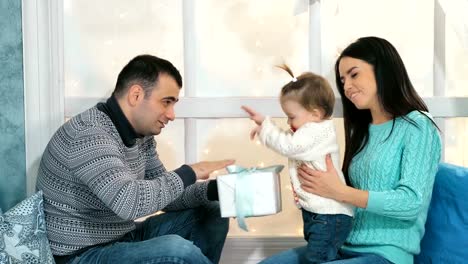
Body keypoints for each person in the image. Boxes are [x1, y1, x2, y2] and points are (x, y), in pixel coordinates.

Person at [36, 54, 234, 264]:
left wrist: (215, 189)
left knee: (213, 211)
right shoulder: (89, 135)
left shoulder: (141, 137)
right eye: (166, 102)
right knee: (177, 250)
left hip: (121, 238)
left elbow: (169, 196)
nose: (172, 114)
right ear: (136, 95)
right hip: (80, 255)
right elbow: (128, 203)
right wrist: (189, 172)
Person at [261, 36, 442, 264]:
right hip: (340, 245)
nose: (346, 86)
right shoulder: (362, 130)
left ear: (383, 70)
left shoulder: (418, 126)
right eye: (342, 80)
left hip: (384, 255)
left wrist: (339, 191)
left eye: (354, 74)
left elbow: (410, 203)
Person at [242, 64, 354, 263]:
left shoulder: (317, 132)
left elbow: (289, 146)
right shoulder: (311, 131)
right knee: (321, 257)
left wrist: (266, 129)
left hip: (328, 217)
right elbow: (290, 140)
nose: (288, 122)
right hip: (320, 215)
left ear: (315, 113)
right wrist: (264, 128)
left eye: (292, 116)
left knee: (317, 259)